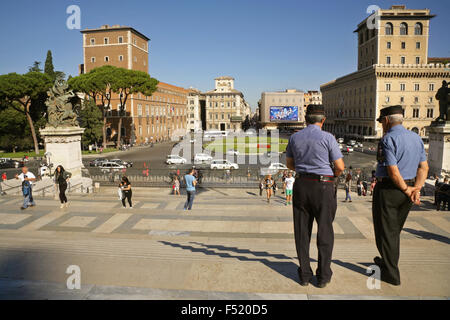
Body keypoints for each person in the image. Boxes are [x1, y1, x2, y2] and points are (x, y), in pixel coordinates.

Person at [286, 104, 345, 288]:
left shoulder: (295, 137)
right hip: (323, 186)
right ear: (323, 120)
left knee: (302, 232)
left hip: (302, 184)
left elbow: (289, 164)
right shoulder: (328, 137)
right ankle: (323, 276)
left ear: (305, 118)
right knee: (325, 231)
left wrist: (305, 171)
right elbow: (340, 167)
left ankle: (304, 274)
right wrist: (330, 176)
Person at [373, 105, 429, 286]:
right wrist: (416, 189)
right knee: (394, 230)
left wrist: (406, 189)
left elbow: (393, 171)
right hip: (409, 190)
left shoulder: (388, 139)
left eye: (382, 121)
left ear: (387, 120)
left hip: (390, 190)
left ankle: (391, 274)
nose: (382, 125)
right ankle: (387, 261)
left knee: (385, 231)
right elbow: (424, 167)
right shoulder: (416, 137)